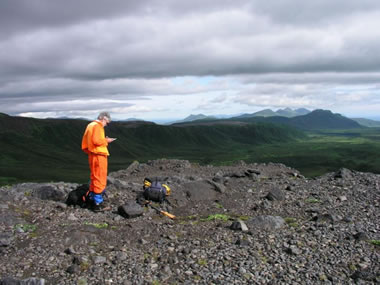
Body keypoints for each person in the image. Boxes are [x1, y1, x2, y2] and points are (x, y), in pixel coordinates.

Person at [81, 112, 116, 212]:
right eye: (107, 122)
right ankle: (98, 204)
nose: (106, 124)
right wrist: (106, 141)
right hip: (99, 155)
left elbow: (88, 141)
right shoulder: (98, 126)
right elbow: (96, 141)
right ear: (103, 119)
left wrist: (103, 139)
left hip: (92, 155)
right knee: (100, 178)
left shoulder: (90, 125)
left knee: (94, 176)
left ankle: (91, 200)